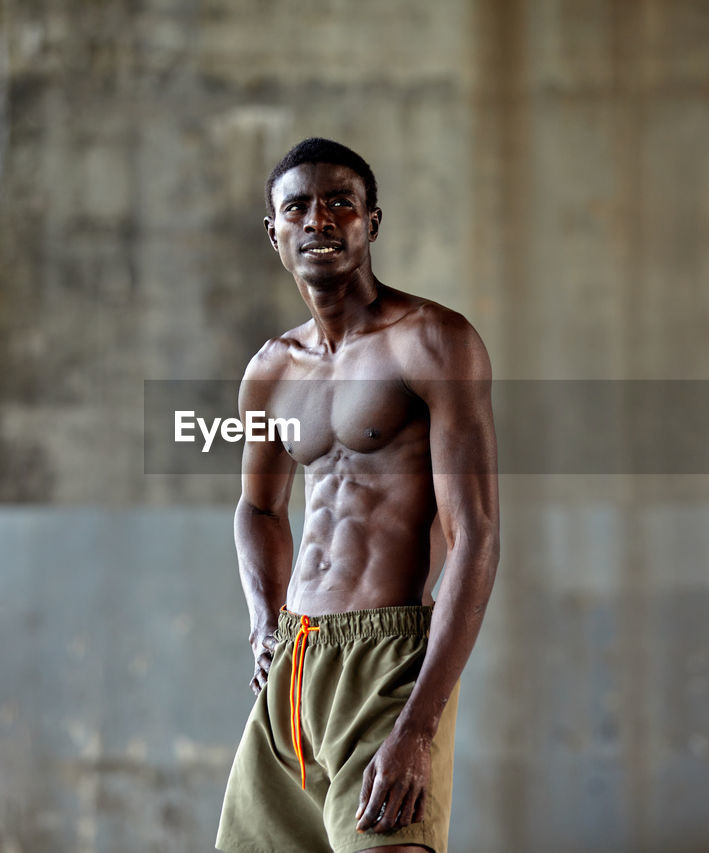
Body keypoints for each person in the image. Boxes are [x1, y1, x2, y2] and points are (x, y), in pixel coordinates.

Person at [216, 138, 500, 853]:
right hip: (293, 663)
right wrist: (262, 620)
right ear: (273, 230)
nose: (320, 218)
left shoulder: (434, 342)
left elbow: (477, 536)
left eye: (341, 201)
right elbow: (258, 508)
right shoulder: (271, 369)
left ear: (372, 222)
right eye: (298, 206)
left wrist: (419, 727)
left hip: (390, 661)